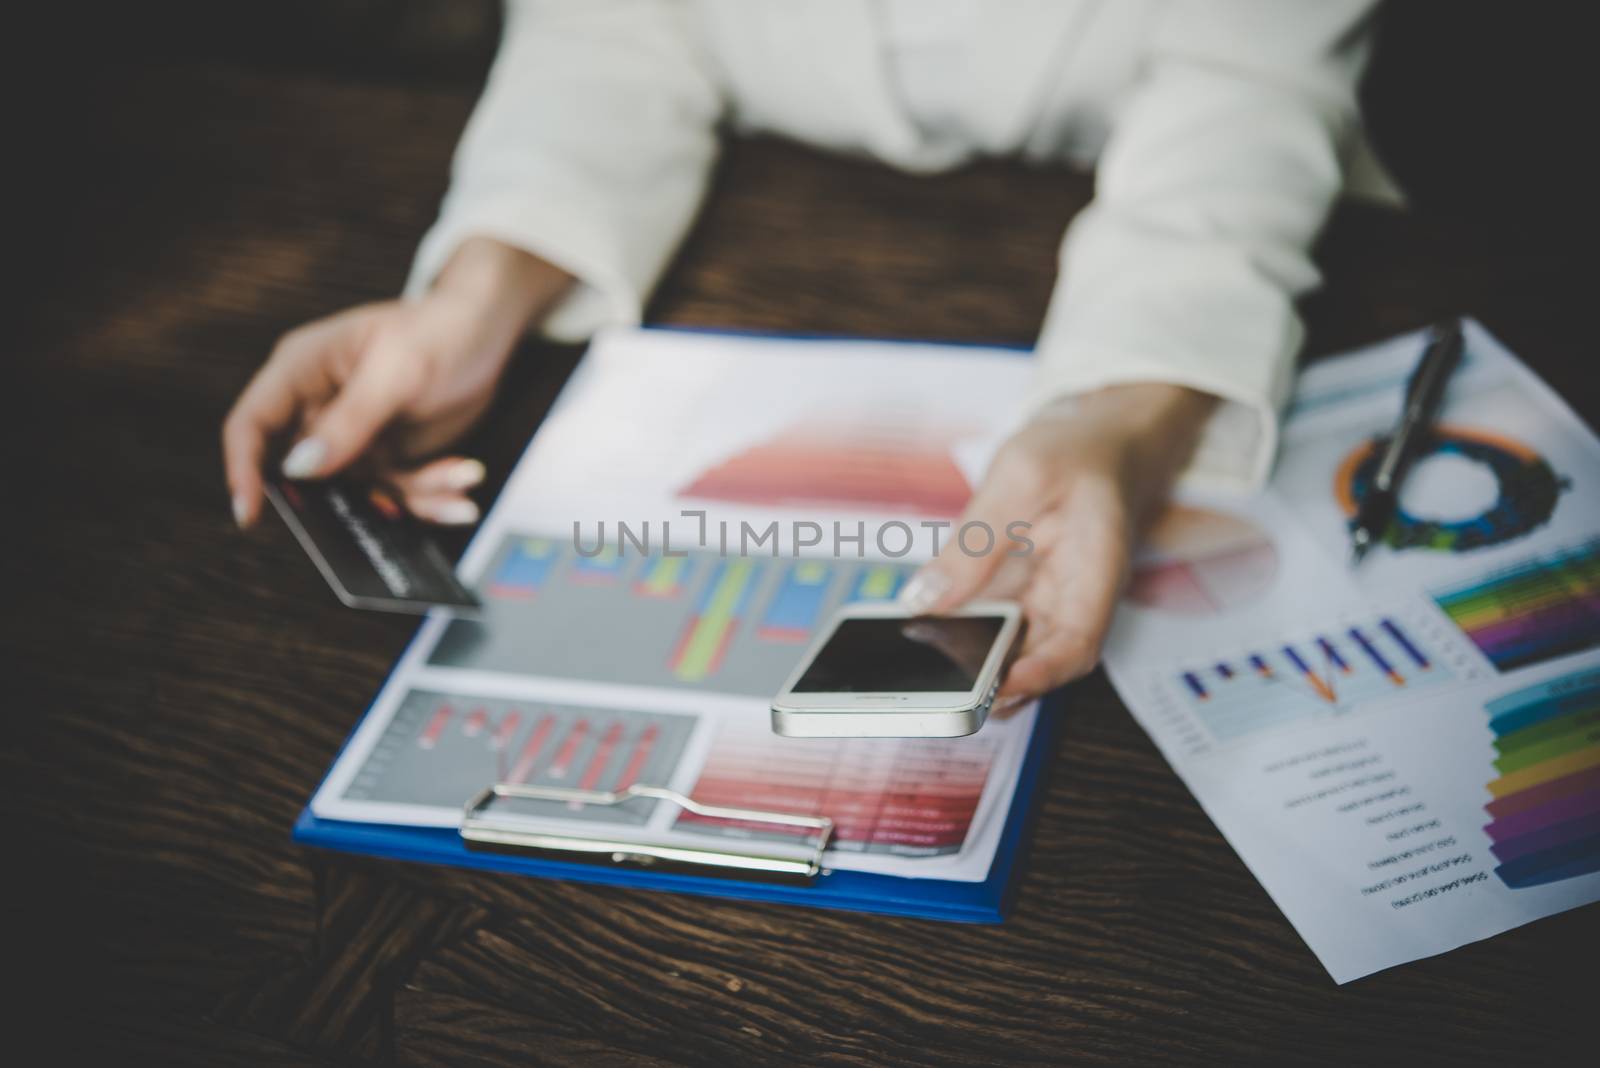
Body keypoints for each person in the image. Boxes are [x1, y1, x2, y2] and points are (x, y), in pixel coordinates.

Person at [223, 0, 1384, 707]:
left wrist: (1130, 408)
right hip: (773, 226)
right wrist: (481, 292)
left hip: (1154, 221)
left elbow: (1250, 92)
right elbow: (605, 30)